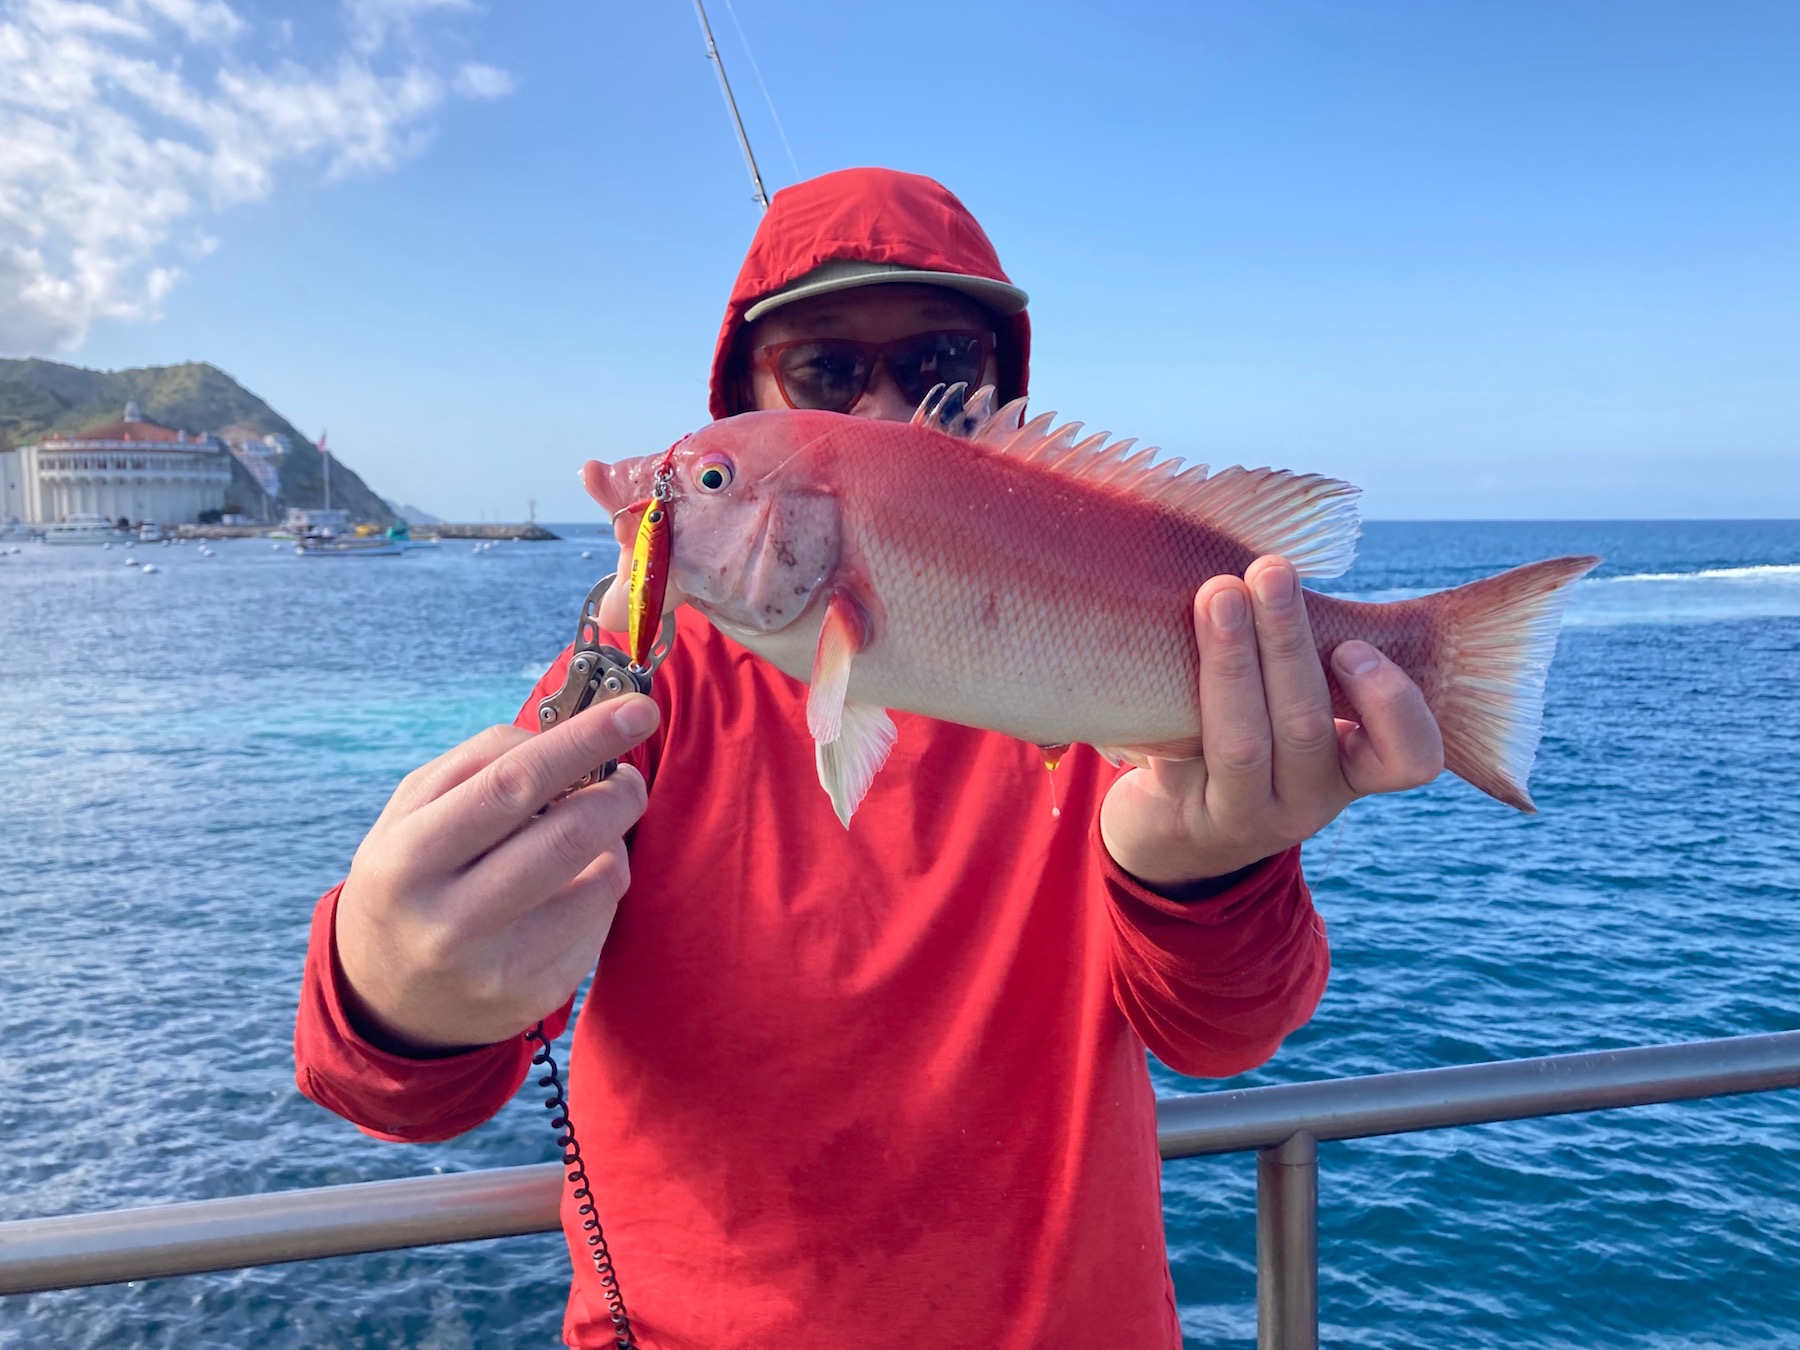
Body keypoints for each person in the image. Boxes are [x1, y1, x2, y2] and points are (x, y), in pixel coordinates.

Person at [295, 167, 1442, 1348]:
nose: (881, 412)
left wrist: (1210, 867)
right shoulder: (642, 679)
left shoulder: (1119, 703)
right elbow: (400, 1090)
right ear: (749, 398)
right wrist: (394, 984)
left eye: (942, 365)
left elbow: (1224, 1032)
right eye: (828, 372)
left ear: (1002, 390)